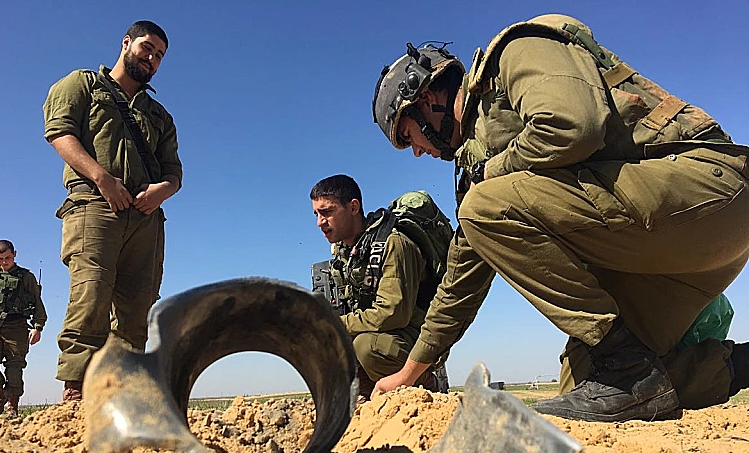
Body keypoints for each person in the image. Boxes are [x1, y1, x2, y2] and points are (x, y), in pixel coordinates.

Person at [370, 14, 749, 421]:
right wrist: (409, 373)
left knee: (482, 207)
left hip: (709, 192)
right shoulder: (477, 166)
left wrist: (489, 177)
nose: (416, 152)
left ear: (426, 100)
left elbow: (572, 126)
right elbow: (461, 281)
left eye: (408, 137)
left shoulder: (515, 53)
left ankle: (626, 367)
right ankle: (729, 367)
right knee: (588, 380)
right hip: (670, 248)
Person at [43, 20, 182, 402]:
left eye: (159, 55)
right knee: (91, 294)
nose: (152, 58)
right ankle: (77, 390)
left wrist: (161, 192)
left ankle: (121, 390)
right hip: (94, 206)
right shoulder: (83, 84)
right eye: (147, 48)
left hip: (146, 217)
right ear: (126, 44)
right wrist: (102, 178)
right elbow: (59, 133)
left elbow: (175, 172)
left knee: (138, 305)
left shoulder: (159, 115)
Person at [311, 174, 448, 399]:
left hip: (416, 338)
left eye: (327, 212)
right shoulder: (346, 256)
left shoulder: (394, 243)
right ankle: (368, 403)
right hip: (384, 335)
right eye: (316, 214)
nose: (319, 222)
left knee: (367, 347)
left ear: (353, 207)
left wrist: (335, 324)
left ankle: (427, 385)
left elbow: (393, 313)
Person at [0, 240, 47, 418]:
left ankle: (12, 404)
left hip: (17, 326)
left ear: (15, 254)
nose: (5, 262)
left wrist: (38, 327)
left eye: (8, 258)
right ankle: (0, 394)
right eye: (1, 258)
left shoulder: (26, 277)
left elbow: (37, 302)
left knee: (14, 368)